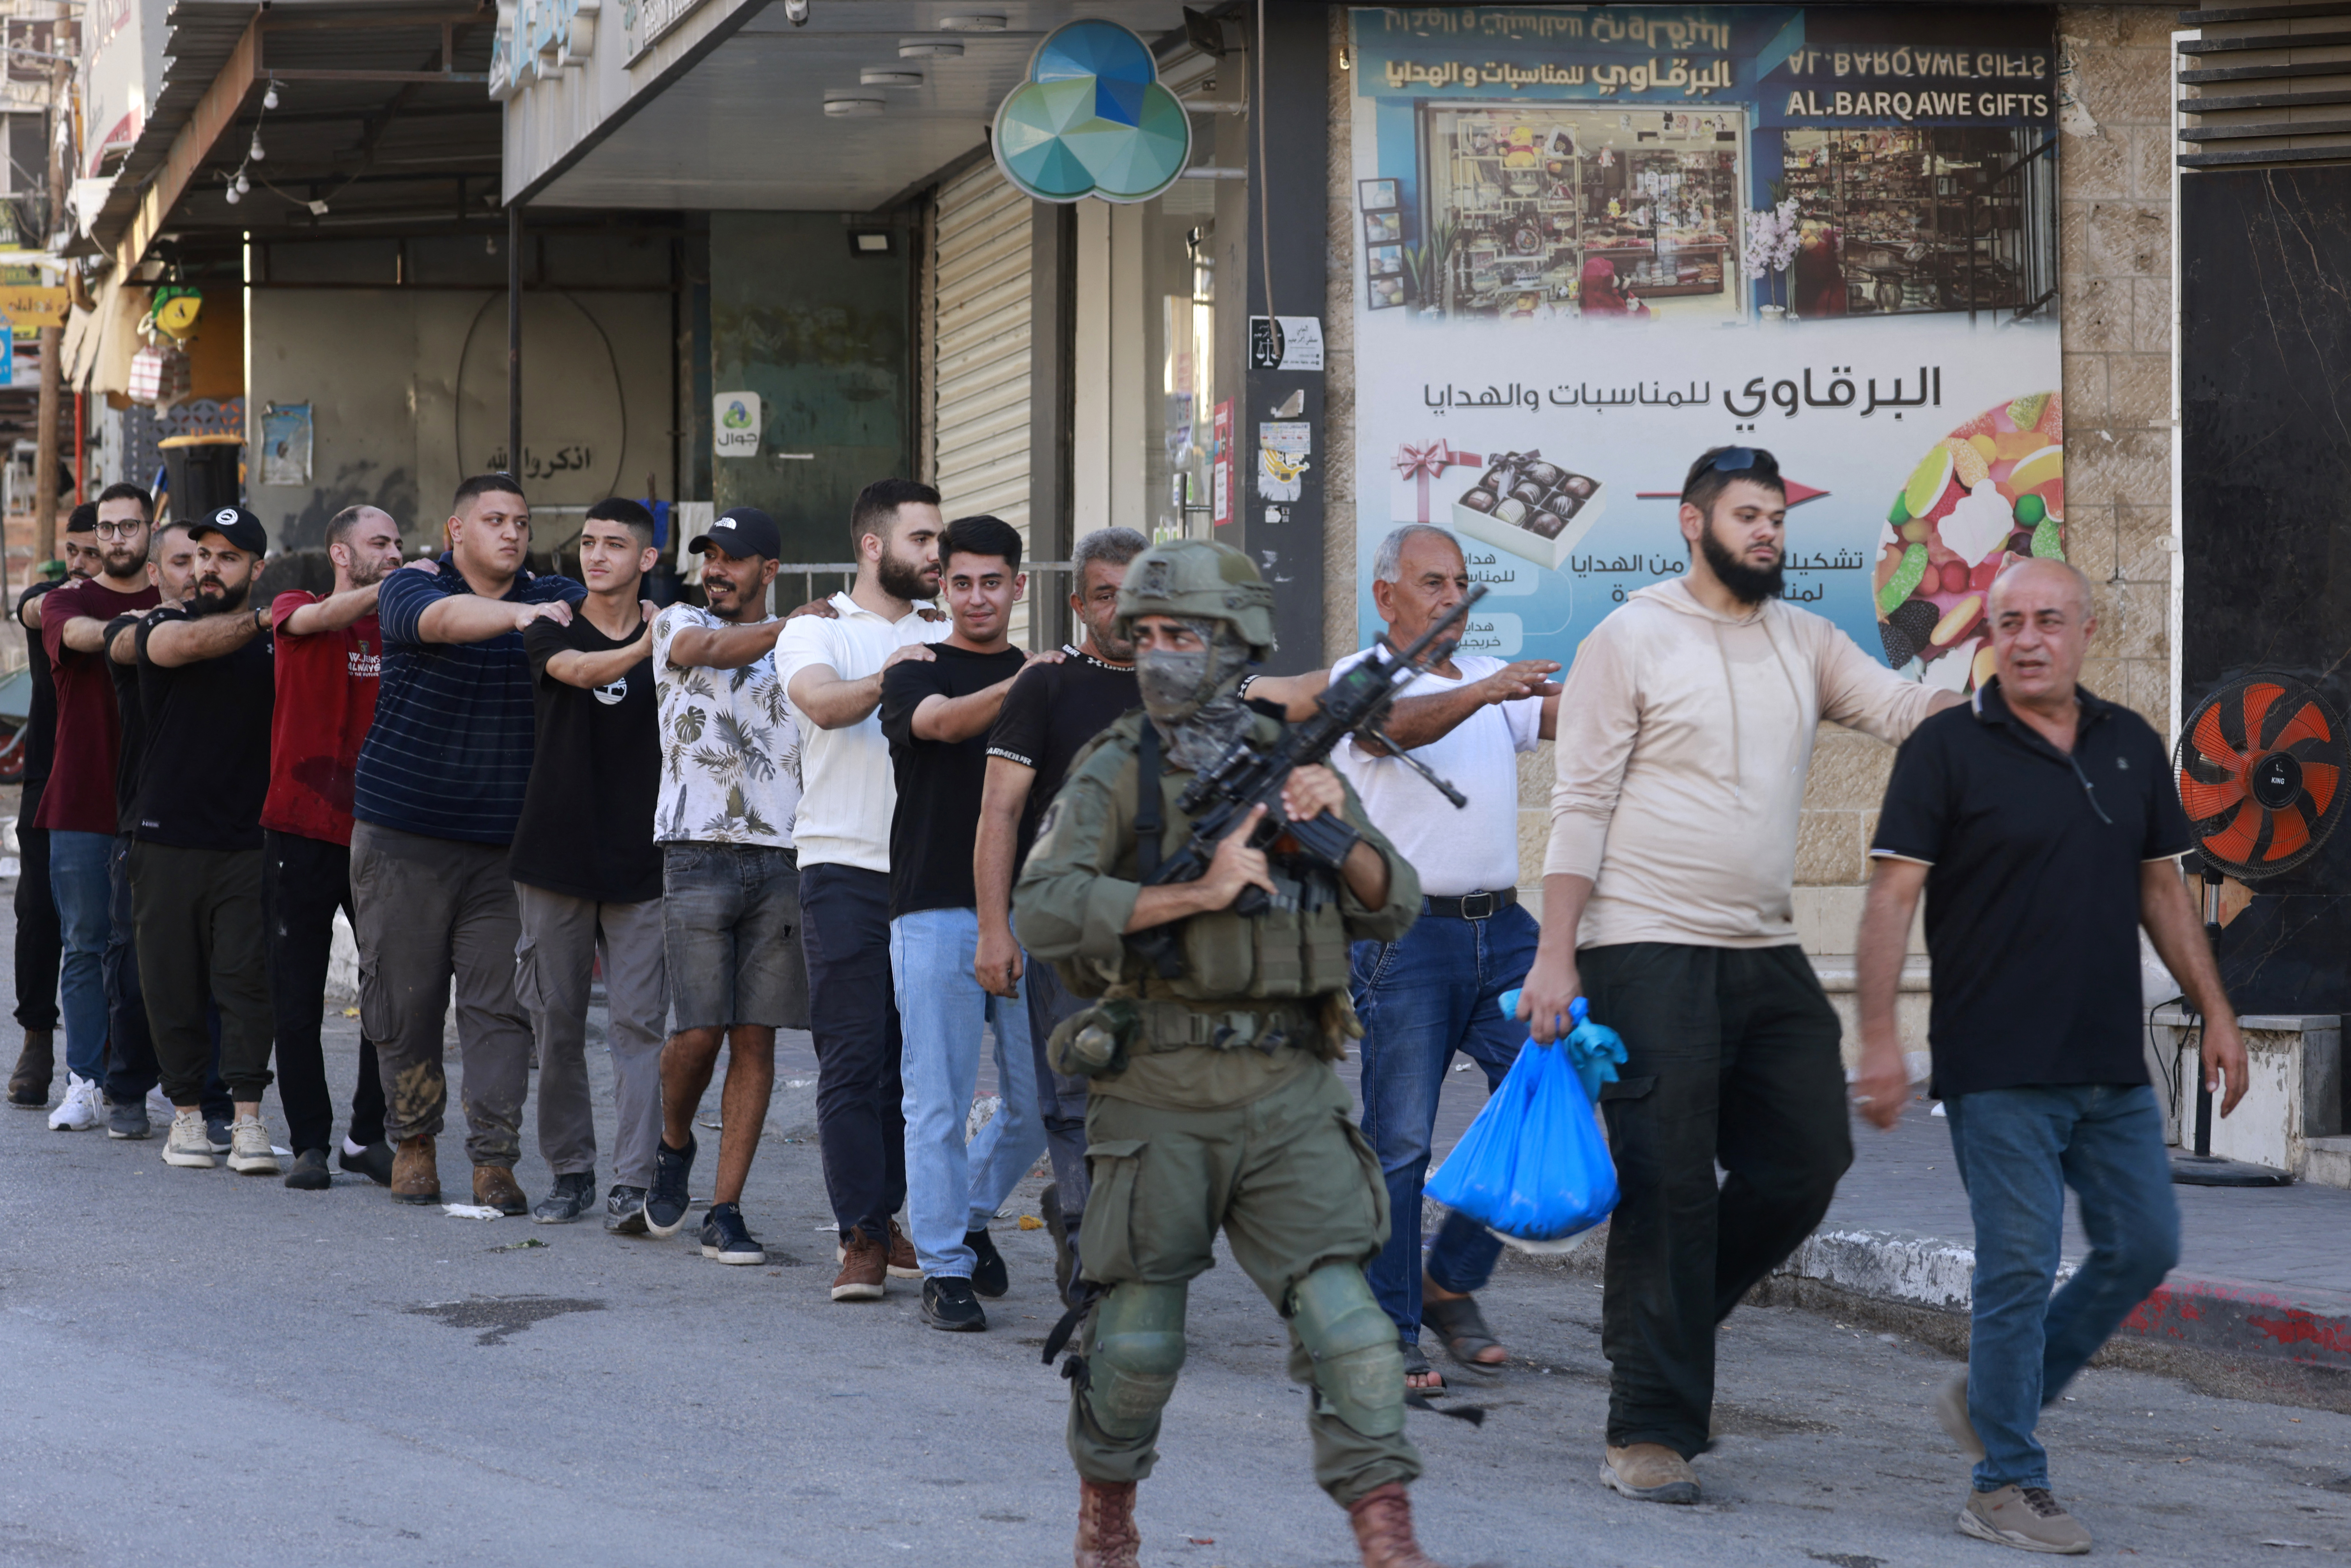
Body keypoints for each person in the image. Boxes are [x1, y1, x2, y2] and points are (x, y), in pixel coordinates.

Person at [1519, 445, 1961, 1507]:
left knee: (1808, 1159)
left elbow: (1904, 713)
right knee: (1669, 1183)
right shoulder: (1628, 637)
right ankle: (1648, 1428)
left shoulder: (1803, 639)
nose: (1767, 533)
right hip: (1644, 947)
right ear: (1692, 521)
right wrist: (1555, 951)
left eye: (1776, 517)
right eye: (1748, 515)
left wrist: (2010, 703)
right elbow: (1578, 804)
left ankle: (1664, 1322)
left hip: (1763, 954)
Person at [1013, 540, 1448, 1568]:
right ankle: (1108, 1516)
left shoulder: (1294, 756)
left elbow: (1399, 908)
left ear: (1239, 641)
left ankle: (1388, 1538)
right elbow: (1046, 908)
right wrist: (1193, 894)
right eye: (1148, 634)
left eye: (1184, 634)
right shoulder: (1117, 767)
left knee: (1353, 1329)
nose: (1161, 653)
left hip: (1290, 1086)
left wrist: (1336, 829)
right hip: (1159, 1085)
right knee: (1134, 1341)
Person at [1855, 557, 2244, 1556]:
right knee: (2020, 1265)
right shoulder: (1947, 748)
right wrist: (1880, 1039)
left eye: (2048, 621)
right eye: (2009, 621)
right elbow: (1893, 896)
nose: (2028, 638)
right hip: (1997, 1064)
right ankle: (2005, 1480)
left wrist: (2218, 1014)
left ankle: (1998, 1401)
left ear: (2086, 629)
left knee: (2145, 1243)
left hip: (2109, 1062)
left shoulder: (2129, 744)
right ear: (1989, 634)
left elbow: (2162, 890)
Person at [1331, 523, 1559, 1392]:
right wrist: (1491, 689)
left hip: (1505, 933)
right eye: (1433, 583)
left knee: (1557, 1089)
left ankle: (1448, 1279)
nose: (1452, 598)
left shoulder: (1492, 683)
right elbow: (1392, 728)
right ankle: (1389, 1333)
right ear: (1387, 596)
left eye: (1461, 582)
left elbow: (1577, 710)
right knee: (1398, 1144)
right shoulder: (1363, 677)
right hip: (1405, 936)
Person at [352, 474, 584, 1212]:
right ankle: (413, 1142)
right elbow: (446, 622)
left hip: (504, 848)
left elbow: (621, 618)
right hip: (403, 836)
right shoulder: (414, 587)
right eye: (493, 520)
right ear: (457, 531)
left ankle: (494, 1158)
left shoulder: (555, 596)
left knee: (501, 1012)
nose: (511, 533)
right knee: (405, 1001)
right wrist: (523, 618)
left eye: (521, 521)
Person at [775, 478, 952, 1299]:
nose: (938, 555)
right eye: (923, 539)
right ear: (875, 547)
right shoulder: (817, 633)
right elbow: (820, 705)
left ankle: (889, 1216)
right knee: (850, 1057)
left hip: (929, 870)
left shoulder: (950, 629)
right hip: (841, 863)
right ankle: (861, 1239)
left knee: (911, 1066)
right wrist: (898, 675)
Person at [878, 513, 1052, 1332]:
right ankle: (944, 1267)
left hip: (1036, 916)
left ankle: (966, 1216)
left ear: (1020, 585)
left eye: (994, 581)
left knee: (1043, 1098)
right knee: (938, 1099)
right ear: (941, 586)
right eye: (962, 582)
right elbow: (941, 724)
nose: (978, 597)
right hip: (934, 909)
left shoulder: (1050, 674)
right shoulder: (915, 667)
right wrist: (1034, 685)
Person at [977, 524, 1149, 1302]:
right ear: (1079, 604)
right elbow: (1000, 814)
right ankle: (1092, 1268)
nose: (1123, 610)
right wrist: (994, 929)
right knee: (1075, 1103)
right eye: (1105, 595)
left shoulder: (1188, 687)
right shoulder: (1046, 686)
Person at [645, 506, 806, 1261]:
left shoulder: (803, 654)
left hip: (782, 856)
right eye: (710, 555)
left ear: (767, 572)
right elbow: (706, 649)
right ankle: (674, 1140)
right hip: (696, 850)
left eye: (733, 559)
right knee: (698, 1032)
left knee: (756, 1036)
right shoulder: (676, 621)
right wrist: (797, 629)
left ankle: (726, 1207)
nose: (716, 569)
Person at [511, 500, 666, 1227]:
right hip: (556, 857)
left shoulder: (678, 628)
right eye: (589, 543)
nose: (596, 556)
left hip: (646, 863)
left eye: (615, 545)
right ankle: (570, 1171)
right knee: (558, 1024)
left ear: (648, 559)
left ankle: (633, 1182)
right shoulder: (549, 623)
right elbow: (573, 670)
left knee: (640, 1027)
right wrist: (646, 649)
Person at [131, 507, 280, 1174]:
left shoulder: (281, 643)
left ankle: (247, 1120)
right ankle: (186, 1115)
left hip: (250, 841)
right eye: (200, 555)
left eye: (227, 556)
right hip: (165, 837)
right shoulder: (163, 624)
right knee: (172, 983)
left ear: (257, 567)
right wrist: (263, 620)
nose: (209, 568)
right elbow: (186, 649)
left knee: (247, 983)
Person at [264, 504, 400, 1190]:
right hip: (298, 826)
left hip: (379, 833)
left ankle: (366, 1136)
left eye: (400, 543)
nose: (396, 553)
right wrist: (405, 587)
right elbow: (317, 621)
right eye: (381, 543)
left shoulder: (402, 626)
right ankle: (310, 1143)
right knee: (297, 996)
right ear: (341, 554)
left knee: (391, 992)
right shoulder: (296, 606)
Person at [102, 520, 234, 1143]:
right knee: (138, 973)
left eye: (210, 558)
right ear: (156, 574)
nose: (199, 571)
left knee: (218, 977)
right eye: (185, 559)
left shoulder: (236, 637)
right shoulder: (139, 633)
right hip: (147, 829)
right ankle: (126, 1086)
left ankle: (212, 1102)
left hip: (225, 832)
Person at [34, 483, 158, 1131]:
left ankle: (148, 1079)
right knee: (84, 945)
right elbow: (79, 635)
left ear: (150, 530)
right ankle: (84, 1078)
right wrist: (147, 630)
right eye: (107, 528)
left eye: (128, 527)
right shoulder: (69, 598)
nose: (115, 539)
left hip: (159, 803)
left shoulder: (177, 599)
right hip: (81, 800)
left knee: (151, 949)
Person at [5, 511, 96, 1108]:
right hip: (48, 777)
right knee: (39, 910)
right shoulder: (52, 599)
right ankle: (38, 1036)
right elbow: (33, 609)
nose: (88, 561)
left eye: (101, 547)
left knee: (115, 922)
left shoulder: (143, 606)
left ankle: (111, 1046)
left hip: (117, 780)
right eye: (79, 550)